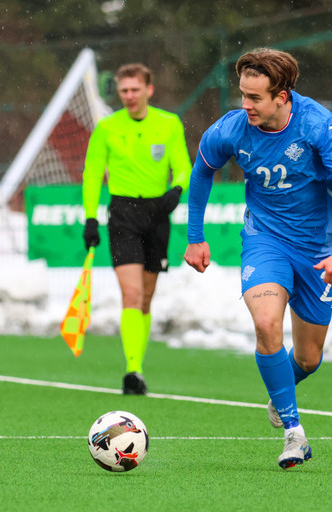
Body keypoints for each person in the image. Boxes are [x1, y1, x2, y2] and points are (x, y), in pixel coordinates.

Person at [184, 48, 332, 469]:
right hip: (264, 240)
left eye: (254, 98)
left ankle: (281, 389)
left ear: (282, 97)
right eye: (242, 95)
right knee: (267, 323)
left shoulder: (319, 126)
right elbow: (202, 171)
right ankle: (294, 432)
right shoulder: (231, 129)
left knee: (308, 359)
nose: (245, 105)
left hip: (318, 250)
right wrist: (195, 237)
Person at [82, 63, 192, 395]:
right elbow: (92, 173)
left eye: (134, 89)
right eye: (123, 90)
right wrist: (90, 217)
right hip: (123, 216)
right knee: (130, 295)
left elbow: (183, 167)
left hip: (157, 214)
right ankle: (133, 370)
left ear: (149, 90)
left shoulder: (169, 123)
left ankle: (137, 364)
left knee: (145, 299)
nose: (129, 96)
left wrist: (177, 190)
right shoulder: (107, 127)